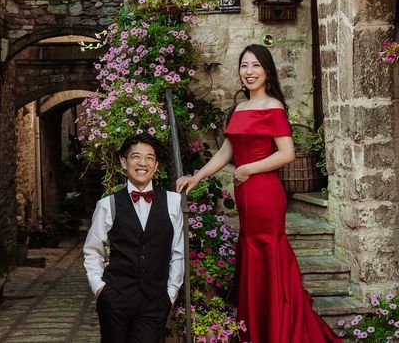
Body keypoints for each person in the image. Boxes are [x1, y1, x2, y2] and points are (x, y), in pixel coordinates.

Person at [177, 44, 341, 343]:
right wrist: (197, 177)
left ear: (267, 71)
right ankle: (258, 328)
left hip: (265, 192)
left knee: (267, 251)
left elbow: (287, 153)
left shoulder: (273, 106)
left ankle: (277, 328)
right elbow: (226, 151)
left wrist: (249, 169)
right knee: (253, 253)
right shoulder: (239, 109)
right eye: (244, 66)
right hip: (246, 195)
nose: (249, 71)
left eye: (255, 66)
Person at [84, 132, 184, 343]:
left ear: (156, 165)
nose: (142, 163)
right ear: (124, 162)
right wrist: (99, 289)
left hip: (155, 301)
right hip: (115, 299)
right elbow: (93, 251)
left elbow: (178, 252)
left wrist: (170, 293)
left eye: (149, 158)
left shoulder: (173, 202)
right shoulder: (107, 205)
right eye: (136, 156)